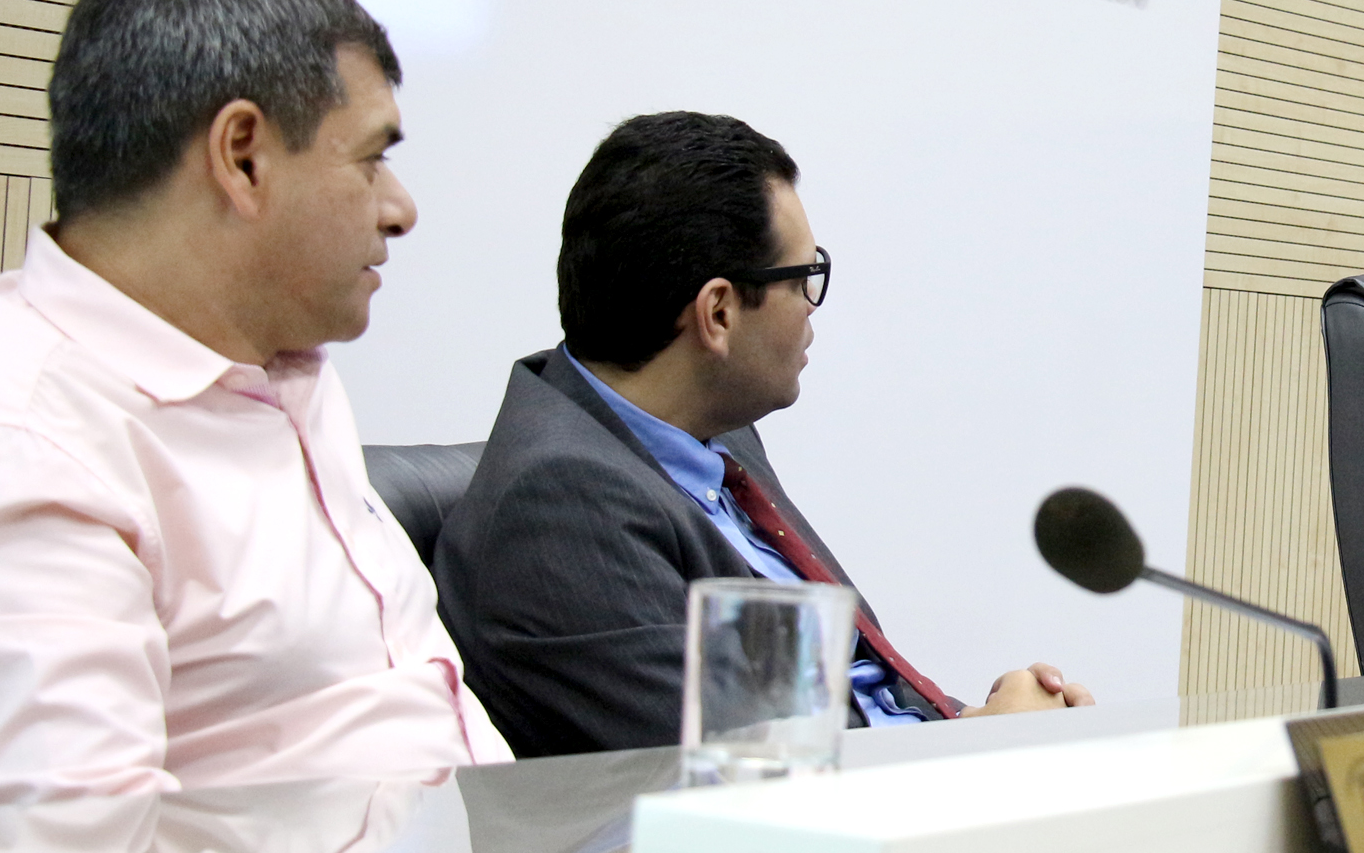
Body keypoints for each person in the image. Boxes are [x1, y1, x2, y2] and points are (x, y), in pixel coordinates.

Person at [0, 0, 509, 808]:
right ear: (242, 156)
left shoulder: (279, 360)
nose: (401, 208)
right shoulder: (21, 439)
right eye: (372, 158)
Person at [431, 112, 1092, 757]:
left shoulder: (711, 438)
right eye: (803, 279)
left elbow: (847, 695)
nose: (811, 308)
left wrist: (972, 722)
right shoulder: (561, 508)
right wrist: (989, 753)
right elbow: (755, 784)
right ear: (718, 312)